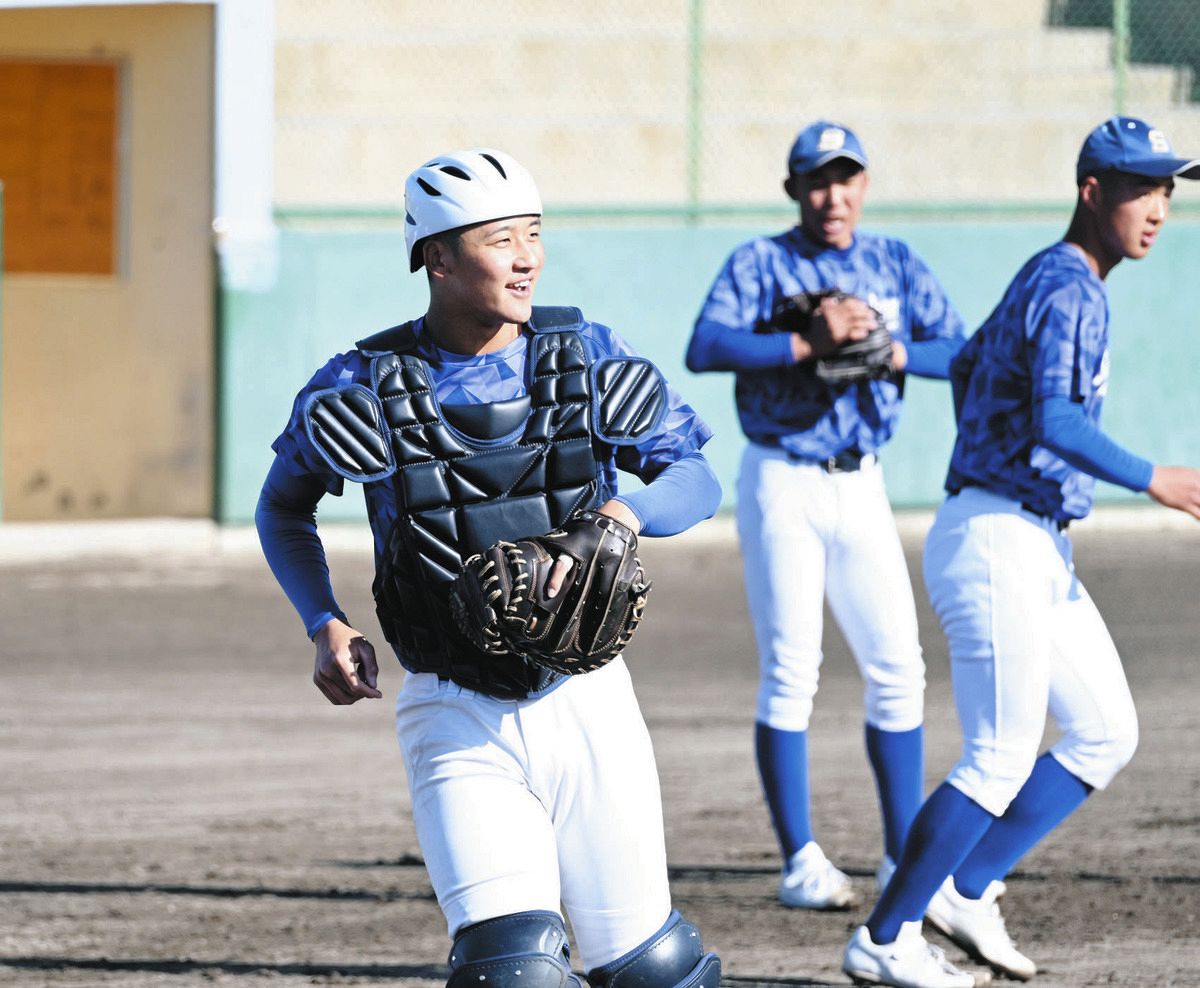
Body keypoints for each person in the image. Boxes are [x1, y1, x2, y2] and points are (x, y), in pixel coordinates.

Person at [256, 148, 723, 988]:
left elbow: (695, 477)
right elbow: (282, 506)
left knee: (654, 971)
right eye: (501, 237)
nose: (527, 257)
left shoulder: (590, 354)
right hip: (452, 708)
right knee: (515, 975)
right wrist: (323, 620)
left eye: (534, 235)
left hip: (588, 701)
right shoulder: (361, 384)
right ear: (436, 256)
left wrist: (625, 514)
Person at [842, 116, 1200, 988]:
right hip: (1000, 536)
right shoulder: (1069, 285)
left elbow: (967, 364)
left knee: (1105, 732)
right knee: (999, 754)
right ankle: (885, 937)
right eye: (1141, 187)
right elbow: (1057, 420)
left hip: (1029, 539)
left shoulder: (1052, 278)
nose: (1160, 205)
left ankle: (966, 888)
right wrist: (1155, 477)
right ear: (1091, 191)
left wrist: (898, 361)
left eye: (1167, 189)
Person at [685, 121, 966, 910]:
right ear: (793, 189)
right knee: (792, 670)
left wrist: (898, 351)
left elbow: (964, 350)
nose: (832, 195)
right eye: (816, 180)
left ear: (865, 187)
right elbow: (705, 345)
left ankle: (900, 857)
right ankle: (801, 860)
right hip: (782, 478)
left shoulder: (894, 263)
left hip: (862, 483)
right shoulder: (761, 261)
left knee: (899, 668)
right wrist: (803, 345)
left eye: (846, 179)